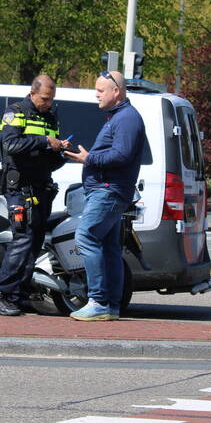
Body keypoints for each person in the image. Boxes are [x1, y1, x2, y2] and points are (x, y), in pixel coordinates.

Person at [63, 69, 145, 321]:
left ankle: (98, 300)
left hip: (107, 191)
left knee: (86, 236)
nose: (96, 95)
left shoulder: (126, 118)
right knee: (109, 247)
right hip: (107, 190)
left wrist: (90, 158)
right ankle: (110, 305)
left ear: (116, 92)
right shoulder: (118, 117)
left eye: (100, 91)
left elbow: (122, 154)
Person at [0, 75, 68, 316]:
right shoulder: (16, 112)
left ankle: (17, 295)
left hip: (42, 187)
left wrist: (61, 151)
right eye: (45, 98)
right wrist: (45, 141)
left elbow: (49, 157)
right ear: (33, 93)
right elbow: (10, 145)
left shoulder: (51, 116)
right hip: (20, 188)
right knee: (22, 239)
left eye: (52, 99)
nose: (48, 103)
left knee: (34, 243)